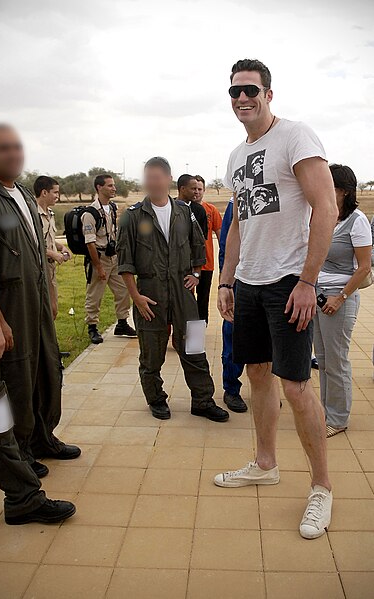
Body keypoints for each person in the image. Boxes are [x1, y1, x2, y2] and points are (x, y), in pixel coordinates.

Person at [216, 59, 338, 540]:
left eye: (251, 89)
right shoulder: (234, 156)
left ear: (268, 93)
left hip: (290, 281)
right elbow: (239, 226)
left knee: (295, 386)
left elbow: (326, 206)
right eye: (234, 91)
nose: (242, 98)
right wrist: (226, 282)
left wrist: (309, 281)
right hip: (248, 282)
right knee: (258, 376)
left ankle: (322, 488)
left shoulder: (295, 137)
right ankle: (265, 463)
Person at [0, 123, 81, 479]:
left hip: (37, 301)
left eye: (17, 147)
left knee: (47, 370)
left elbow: (38, 251)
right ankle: (19, 451)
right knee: (17, 378)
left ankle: (43, 437)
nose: (13, 154)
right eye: (3, 148)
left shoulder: (21, 193)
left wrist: (50, 293)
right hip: (10, 305)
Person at [0, 188, 76, 525]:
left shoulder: (8, 197)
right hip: (2, 311)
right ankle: (23, 490)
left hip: (4, 314)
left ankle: (23, 490)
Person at [116, 156, 229, 422]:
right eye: (149, 177)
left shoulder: (183, 211)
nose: (154, 182)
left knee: (194, 347)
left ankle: (202, 400)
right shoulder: (132, 216)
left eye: (159, 177)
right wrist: (135, 296)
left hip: (183, 292)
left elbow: (198, 244)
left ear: (168, 179)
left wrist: (197, 274)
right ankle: (156, 399)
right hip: (149, 294)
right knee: (152, 353)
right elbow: (124, 261)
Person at [314, 164, 372, 437]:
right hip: (318, 297)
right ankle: (326, 411)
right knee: (323, 360)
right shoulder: (324, 216)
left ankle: (337, 419)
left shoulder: (357, 220)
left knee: (337, 361)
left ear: (345, 191)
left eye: (331, 186)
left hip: (340, 299)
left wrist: (341, 297)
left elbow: (363, 267)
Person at [82, 174, 136, 344]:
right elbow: (90, 243)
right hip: (99, 257)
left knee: (123, 290)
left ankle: (122, 323)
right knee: (95, 294)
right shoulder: (90, 213)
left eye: (114, 185)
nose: (114, 188)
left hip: (113, 257)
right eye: (110, 185)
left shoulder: (112, 207)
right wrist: (98, 266)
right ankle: (92, 327)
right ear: (99, 187)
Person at [218, 196, 247, 412]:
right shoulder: (235, 201)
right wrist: (226, 284)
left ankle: (265, 388)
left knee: (267, 342)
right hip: (240, 281)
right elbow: (226, 245)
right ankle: (231, 389)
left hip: (272, 282)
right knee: (233, 335)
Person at [34, 175, 72, 320]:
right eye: (55, 192)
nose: (58, 196)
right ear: (44, 192)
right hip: (39, 269)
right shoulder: (33, 215)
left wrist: (60, 247)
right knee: (45, 311)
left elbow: (47, 239)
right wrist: (54, 255)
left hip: (51, 270)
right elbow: (32, 244)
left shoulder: (50, 214)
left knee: (53, 310)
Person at [194, 175, 222, 323]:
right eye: (194, 188)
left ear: (204, 190)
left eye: (200, 189)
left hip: (206, 263)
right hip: (187, 264)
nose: (197, 192)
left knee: (203, 298)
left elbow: (220, 235)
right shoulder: (181, 209)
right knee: (186, 298)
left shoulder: (211, 210)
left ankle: (200, 327)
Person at [176, 174, 208, 238]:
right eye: (193, 189)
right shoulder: (169, 207)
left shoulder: (199, 210)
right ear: (183, 189)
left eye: (199, 189)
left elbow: (202, 238)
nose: (196, 192)